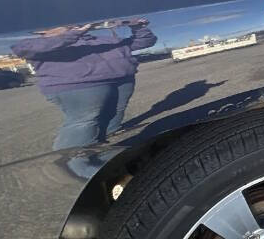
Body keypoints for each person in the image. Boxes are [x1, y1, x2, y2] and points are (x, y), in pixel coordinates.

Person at [12, 19, 157, 155]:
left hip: (123, 80)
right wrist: (73, 34)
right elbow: (23, 50)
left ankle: (102, 138)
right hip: (79, 86)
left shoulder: (102, 40)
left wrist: (137, 26)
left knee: (115, 111)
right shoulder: (34, 44)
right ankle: (71, 160)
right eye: (61, 24)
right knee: (85, 120)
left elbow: (145, 42)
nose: (70, 24)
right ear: (41, 31)